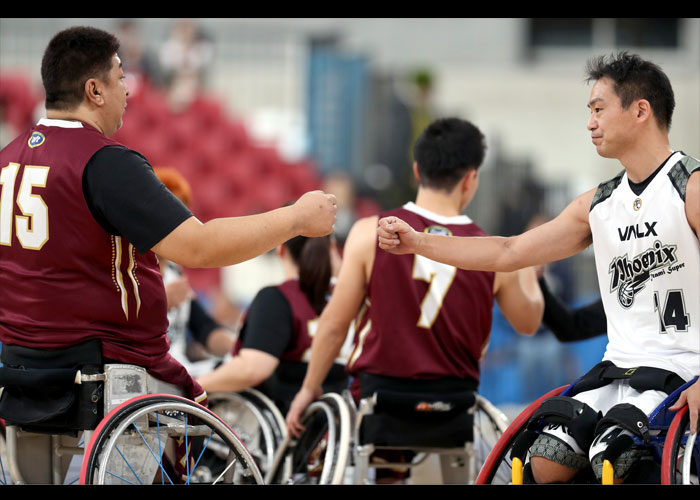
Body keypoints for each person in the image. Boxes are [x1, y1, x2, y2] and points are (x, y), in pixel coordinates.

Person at [377, 52, 700, 484]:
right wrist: (417, 242)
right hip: (616, 371)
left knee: (618, 456)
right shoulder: (597, 204)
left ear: (640, 110)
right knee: (546, 454)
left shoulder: (689, 188)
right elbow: (508, 252)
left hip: (682, 373)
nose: (590, 122)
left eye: (599, 109)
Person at [0, 26, 336, 420]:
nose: (127, 91)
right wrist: (295, 217)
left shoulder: (8, 157)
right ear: (95, 91)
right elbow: (199, 247)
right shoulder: (106, 162)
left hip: (21, 364)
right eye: (122, 77)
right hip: (101, 366)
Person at [286, 117, 545, 483]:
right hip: (454, 407)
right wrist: (529, 268)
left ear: (415, 170)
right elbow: (529, 322)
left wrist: (309, 388)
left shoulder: (368, 232)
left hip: (381, 404)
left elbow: (333, 326)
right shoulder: (491, 251)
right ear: (471, 178)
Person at [197, 233, 351, 414]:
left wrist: (195, 385)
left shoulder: (279, 298)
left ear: (281, 249)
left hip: (286, 416)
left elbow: (252, 369)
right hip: (343, 413)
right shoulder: (353, 298)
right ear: (332, 247)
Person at [153, 167, 235, 376]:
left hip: (180, 369)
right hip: (148, 373)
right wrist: (163, 302)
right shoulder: (127, 270)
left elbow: (204, 328)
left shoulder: (175, 273)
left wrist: (239, 349)